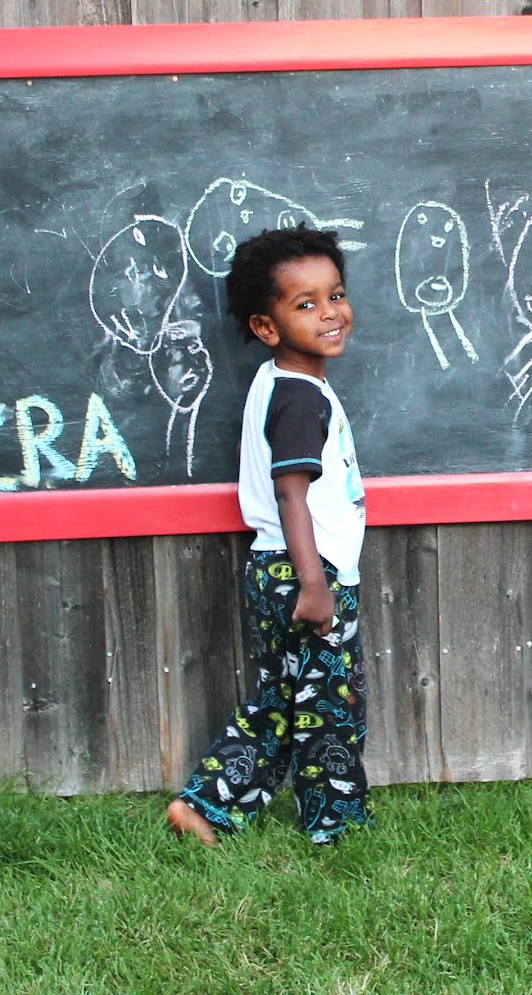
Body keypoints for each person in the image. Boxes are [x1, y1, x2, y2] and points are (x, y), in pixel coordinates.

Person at [167, 225, 371, 845]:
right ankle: (336, 826)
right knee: (329, 710)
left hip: (272, 568)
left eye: (335, 295)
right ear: (266, 326)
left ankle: (207, 806)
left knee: (281, 703)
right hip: (309, 571)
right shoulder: (302, 399)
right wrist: (315, 583)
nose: (330, 313)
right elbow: (292, 493)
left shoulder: (273, 383)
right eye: (305, 305)